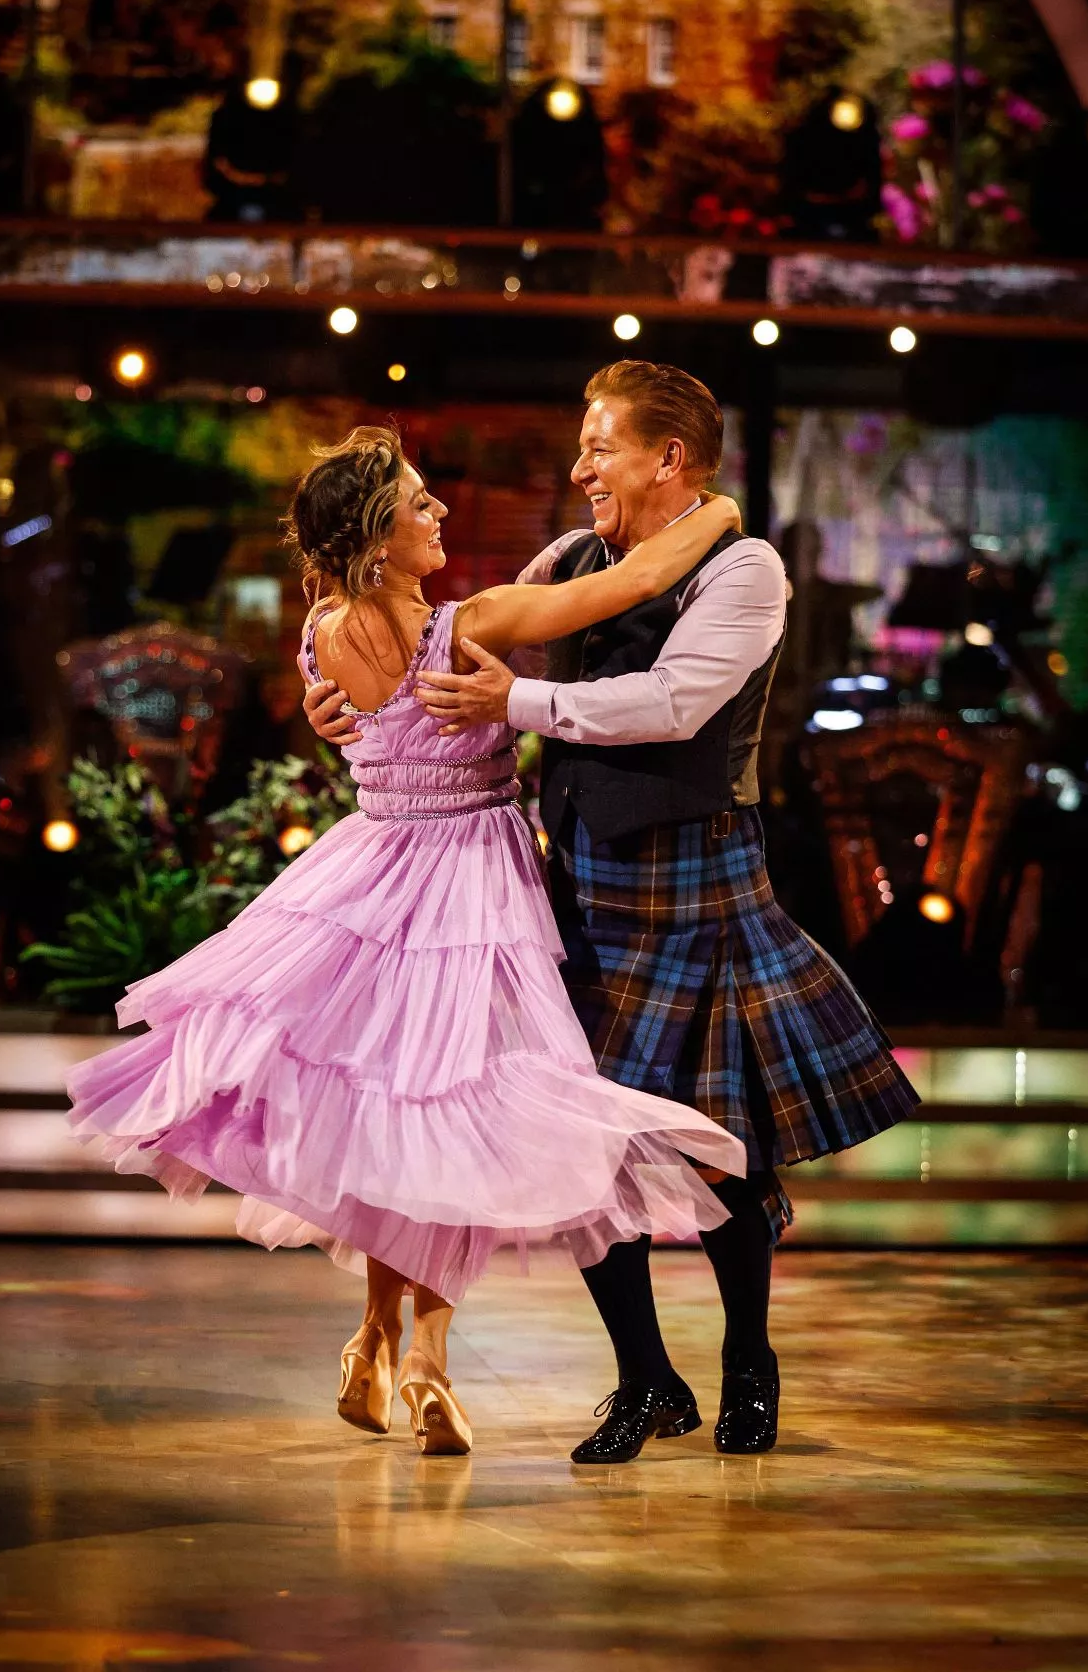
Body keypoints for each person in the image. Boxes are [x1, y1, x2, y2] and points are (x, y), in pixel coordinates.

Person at [67, 424, 750, 1459]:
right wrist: (726, 511)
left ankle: (386, 1342)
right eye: (420, 505)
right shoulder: (469, 626)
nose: (439, 515)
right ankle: (415, 1357)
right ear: (377, 538)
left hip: (371, 875)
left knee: (411, 1122)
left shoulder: (322, 631)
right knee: (453, 1118)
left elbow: (345, 705)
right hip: (465, 889)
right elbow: (633, 582)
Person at [305, 363, 919, 1465]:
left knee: (728, 1150)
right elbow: (488, 621)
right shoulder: (579, 557)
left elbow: (673, 700)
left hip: (698, 877)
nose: (579, 467)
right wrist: (354, 698)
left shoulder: (747, 569)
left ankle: (747, 1365)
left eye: (599, 447)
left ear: (666, 459)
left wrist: (516, 701)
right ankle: (645, 1382)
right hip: (581, 885)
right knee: (575, 1143)